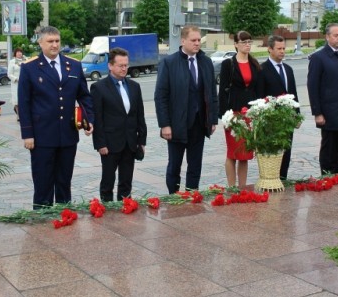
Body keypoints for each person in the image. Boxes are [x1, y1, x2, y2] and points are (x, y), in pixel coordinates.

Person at [19, 26, 94, 208]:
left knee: (64, 180)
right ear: (40, 42)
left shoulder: (73, 65)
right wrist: (27, 134)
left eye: (57, 41)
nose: (54, 45)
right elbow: (24, 102)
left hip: (67, 134)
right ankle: (42, 216)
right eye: (50, 41)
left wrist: (89, 119)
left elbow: (84, 95)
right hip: (42, 135)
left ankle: (64, 214)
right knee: (43, 182)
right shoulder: (30, 67)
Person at [154, 25, 218, 194]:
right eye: (193, 40)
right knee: (174, 164)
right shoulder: (169, 63)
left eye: (199, 40)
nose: (197, 43)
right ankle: (173, 195)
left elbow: (212, 93)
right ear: (183, 41)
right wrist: (165, 124)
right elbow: (161, 96)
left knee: (195, 163)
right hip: (177, 124)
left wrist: (212, 119)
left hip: (199, 123)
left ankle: (192, 194)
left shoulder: (206, 62)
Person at [91, 48, 146, 201]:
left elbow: (139, 115)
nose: (124, 69)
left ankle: (126, 205)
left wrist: (141, 140)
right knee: (108, 180)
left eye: (126, 65)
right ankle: (107, 207)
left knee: (126, 180)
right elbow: (97, 118)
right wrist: (100, 143)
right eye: (120, 65)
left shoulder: (134, 86)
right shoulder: (99, 88)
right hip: (109, 143)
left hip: (130, 142)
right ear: (110, 66)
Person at [307, 23, 338, 174]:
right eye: (336, 35)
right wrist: (317, 113)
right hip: (329, 113)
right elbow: (313, 87)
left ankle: (337, 175)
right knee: (329, 149)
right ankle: (327, 177)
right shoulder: (319, 58)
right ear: (327, 37)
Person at [218, 31, 260, 189]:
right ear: (236, 44)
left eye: (249, 41)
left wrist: (258, 111)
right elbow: (222, 91)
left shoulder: (254, 63)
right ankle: (231, 187)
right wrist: (225, 116)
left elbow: (257, 89)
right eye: (243, 42)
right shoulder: (228, 64)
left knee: (245, 153)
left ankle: (242, 188)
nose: (247, 45)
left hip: (249, 113)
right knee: (233, 152)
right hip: (233, 114)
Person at [256, 34, 298, 181]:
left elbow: (293, 94)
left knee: (286, 151)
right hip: (271, 120)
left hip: (288, 120)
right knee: (273, 152)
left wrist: (296, 115)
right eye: (279, 48)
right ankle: (271, 179)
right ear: (270, 49)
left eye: (284, 48)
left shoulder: (288, 69)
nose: (282, 51)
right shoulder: (262, 69)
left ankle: (283, 179)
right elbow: (259, 96)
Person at [8, 47, 25, 120]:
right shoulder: (12, 62)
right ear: (15, 54)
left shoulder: (26, 60)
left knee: (24, 99)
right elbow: (9, 74)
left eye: (20, 52)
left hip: (25, 83)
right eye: (18, 52)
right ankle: (19, 115)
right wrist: (16, 79)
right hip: (16, 84)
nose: (19, 53)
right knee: (16, 100)